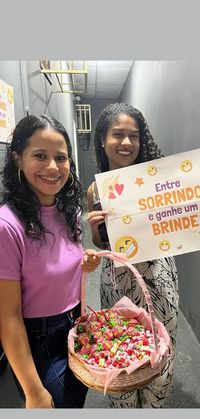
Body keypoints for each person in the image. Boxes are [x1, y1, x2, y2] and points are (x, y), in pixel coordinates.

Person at [0, 115, 101, 409]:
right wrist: (33, 390)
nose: (53, 167)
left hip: (76, 326)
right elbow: (8, 316)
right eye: (40, 156)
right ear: (18, 159)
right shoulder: (7, 226)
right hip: (38, 339)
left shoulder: (69, 212)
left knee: (76, 400)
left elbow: (58, 265)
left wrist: (86, 262)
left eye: (61, 157)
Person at [87, 103, 179, 408]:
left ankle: (155, 405)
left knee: (160, 349)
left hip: (157, 275)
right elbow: (100, 243)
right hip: (117, 278)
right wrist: (98, 228)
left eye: (134, 136)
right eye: (118, 135)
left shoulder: (157, 183)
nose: (127, 143)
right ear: (102, 139)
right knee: (120, 348)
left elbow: (176, 226)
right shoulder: (94, 191)